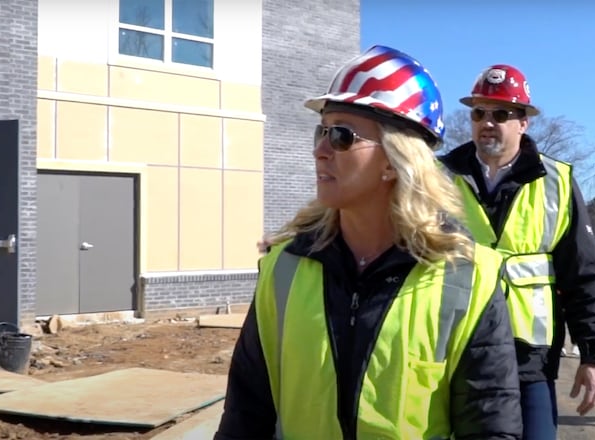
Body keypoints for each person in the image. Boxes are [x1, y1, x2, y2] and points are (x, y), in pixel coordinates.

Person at [214, 46, 522, 440]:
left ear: (396, 160)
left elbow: (490, 426)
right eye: (320, 131)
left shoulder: (470, 280)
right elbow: (246, 411)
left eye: (341, 136)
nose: (320, 150)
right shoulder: (282, 269)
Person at [438, 64, 595, 440]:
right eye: (478, 113)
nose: (487, 122)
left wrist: (594, 356)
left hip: (529, 361)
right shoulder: (439, 178)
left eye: (500, 114)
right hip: (453, 357)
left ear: (524, 122)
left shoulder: (557, 183)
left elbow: (583, 275)